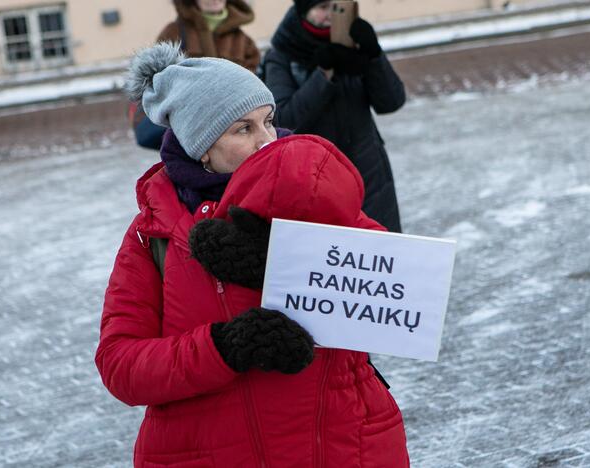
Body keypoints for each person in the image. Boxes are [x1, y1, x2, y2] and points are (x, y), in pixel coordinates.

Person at [96, 42, 409, 467]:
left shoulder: (313, 200)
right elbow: (122, 366)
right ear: (199, 145)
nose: (267, 141)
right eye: (243, 129)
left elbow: (394, 295)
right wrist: (224, 348)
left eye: (269, 121)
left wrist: (286, 258)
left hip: (339, 446)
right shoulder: (153, 234)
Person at [261, 0, 406, 233]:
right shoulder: (282, 55)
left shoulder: (354, 43)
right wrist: (324, 73)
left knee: (379, 256)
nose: (330, 15)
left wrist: (373, 55)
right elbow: (283, 120)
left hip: (370, 174)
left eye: (336, 7)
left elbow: (392, 102)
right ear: (303, 12)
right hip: (314, 180)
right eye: (322, 7)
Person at [130, 0, 261, 149]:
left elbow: (252, 89)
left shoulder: (243, 40)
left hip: (231, 133)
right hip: (187, 132)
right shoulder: (173, 32)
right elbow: (160, 83)